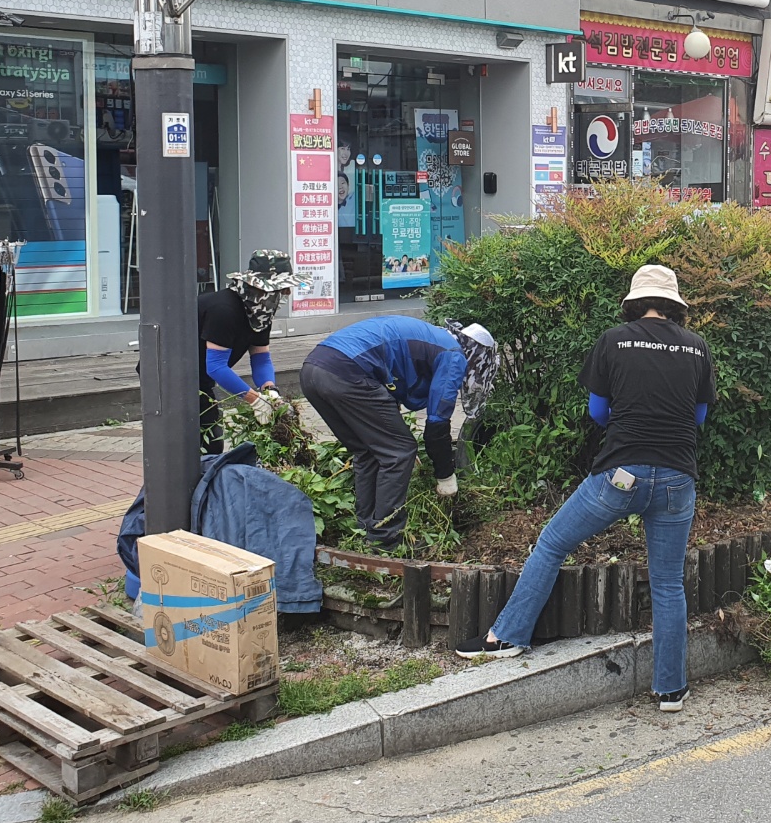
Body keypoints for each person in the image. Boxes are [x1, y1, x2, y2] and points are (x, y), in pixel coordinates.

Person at [455, 265, 716, 714]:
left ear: (635, 302)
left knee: (553, 542)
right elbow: (697, 418)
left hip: (621, 473)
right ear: (675, 305)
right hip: (678, 478)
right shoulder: (697, 348)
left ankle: (508, 637)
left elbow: (598, 411)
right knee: (668, 581)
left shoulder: (614, 339)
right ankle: (670, 690)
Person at [299, 316, 497, 548]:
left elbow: (389, 391)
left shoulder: (432, 337)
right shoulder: (453, 354)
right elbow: (437, 424)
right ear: (476, 356)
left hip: (313, 370)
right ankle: (386, 538)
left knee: (367, 451)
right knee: (400, 451)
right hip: (346, 373)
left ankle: (365, 530)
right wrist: (445, 475)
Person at [196, 250, 308, 454]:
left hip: (200, 381)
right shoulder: (224, 309)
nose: (283, 296)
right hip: (169, 376)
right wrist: (254, 399)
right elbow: (216, 367)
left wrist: (270, 390)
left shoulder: (260, 313)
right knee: (190, 446)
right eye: (279, 290)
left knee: (212, 444)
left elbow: (261, 357)